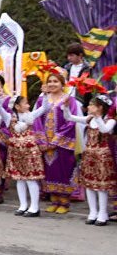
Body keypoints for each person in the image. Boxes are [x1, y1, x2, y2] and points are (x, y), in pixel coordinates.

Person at [32, 71, 82, 214]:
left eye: (56, 81)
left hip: (62, 144)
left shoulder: (69, 100)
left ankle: (64, 202)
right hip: (45, 143)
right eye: (50, 81)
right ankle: (54, 200)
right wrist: (41, 140)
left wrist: (55, 141)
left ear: (62, 84)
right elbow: (36, 119)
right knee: (49, 171)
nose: (52, 84)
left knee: (63, 170)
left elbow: (71, 121)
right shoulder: (42, 99)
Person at [63, 94, 116, 226]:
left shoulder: (110, 120)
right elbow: (69, 117)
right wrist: (66, 107)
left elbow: (104, 130)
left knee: (101, 186)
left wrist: (97, 117)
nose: (89, 107)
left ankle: (102, 213)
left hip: (102, 156)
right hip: (89, 155)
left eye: (92, 105)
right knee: (89, 185)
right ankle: (92, 212)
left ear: (100, 107)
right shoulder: (89, 118)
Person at [0, 95, 48, 217]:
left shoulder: (30, 115)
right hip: (16, 151)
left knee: (30, 179)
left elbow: (45, 107)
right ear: (16, 106)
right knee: (19, 179)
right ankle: (23, 205)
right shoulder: (9, 117)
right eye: (25, 103)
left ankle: (34, 207)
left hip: (30, 151)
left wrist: (45, 95)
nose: (28, 105)